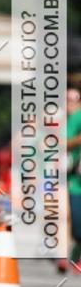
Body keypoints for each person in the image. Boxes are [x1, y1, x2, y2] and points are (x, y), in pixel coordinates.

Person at [59, 87, 81, 272]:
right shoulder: (62, 119)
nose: (69, 102)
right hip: (69, 175)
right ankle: (66, 255)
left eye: (73, 98)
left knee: (74, 219)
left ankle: (74, 255)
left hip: (76, 175)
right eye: (66, 98)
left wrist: (64, 144)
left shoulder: (78, 116)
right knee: (67, 216)